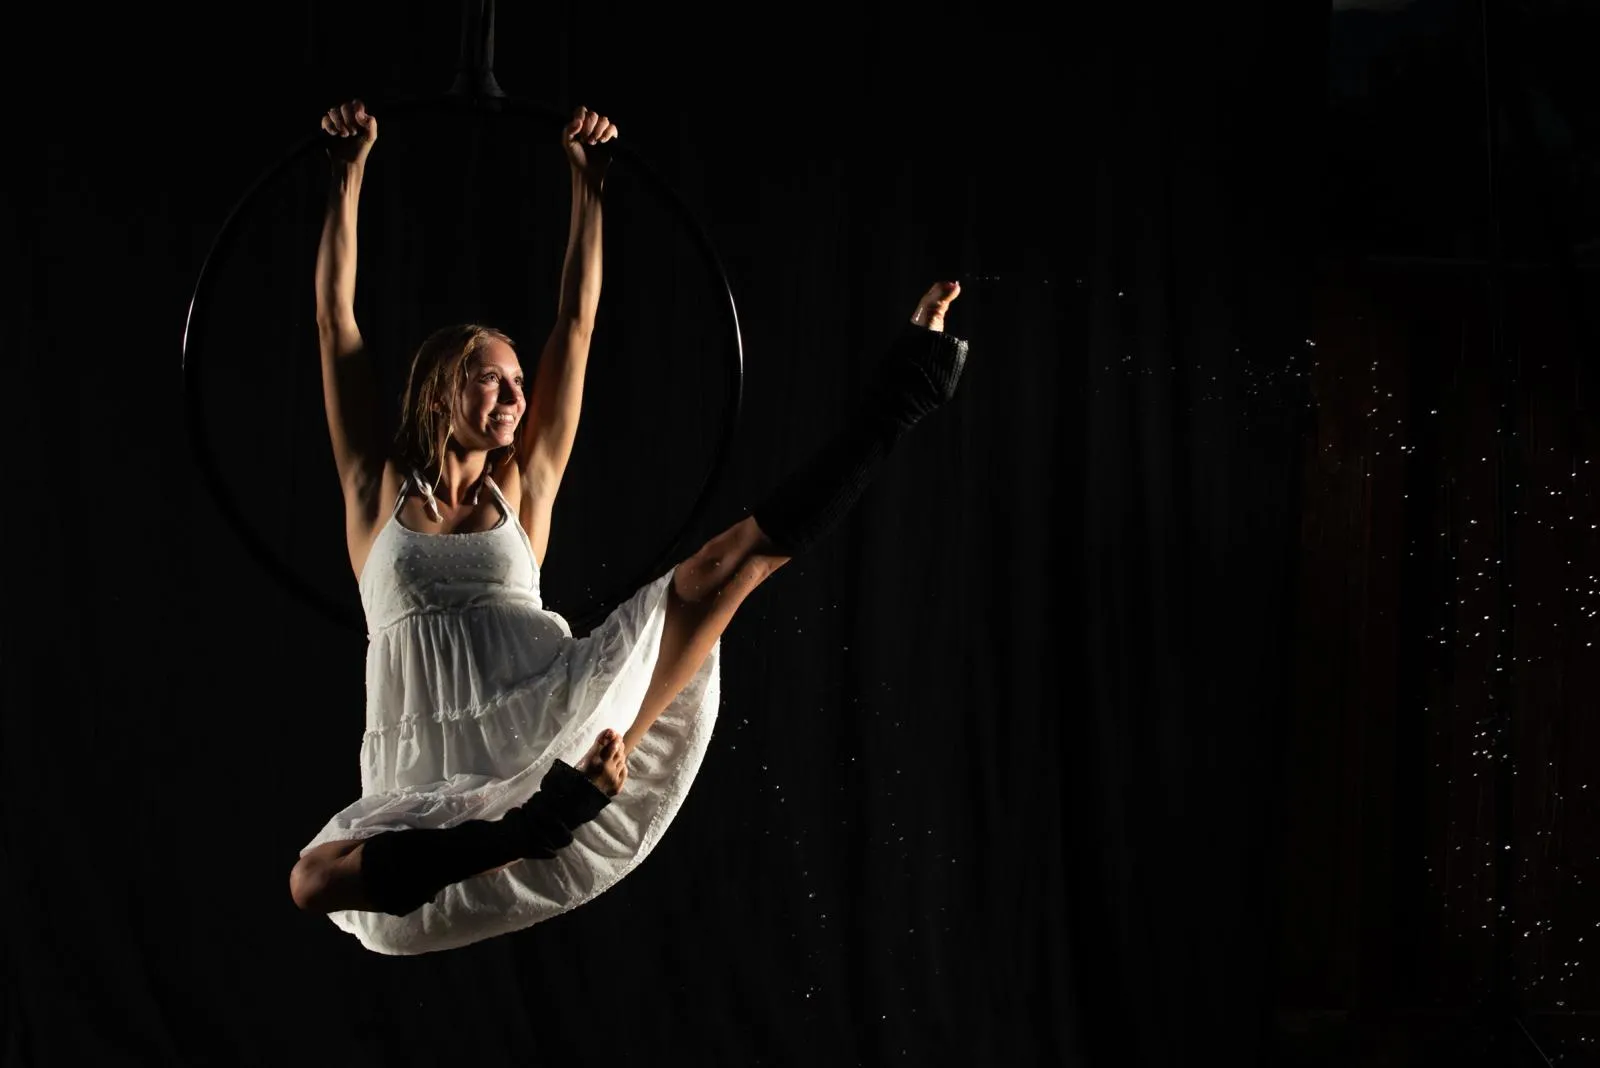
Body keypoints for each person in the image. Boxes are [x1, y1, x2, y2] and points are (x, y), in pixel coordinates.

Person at [287, 99, 971, 955]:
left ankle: (903, 393)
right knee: (312, 881)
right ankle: (527, 830)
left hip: (546, 715)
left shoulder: (524, 487)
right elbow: (335, 324)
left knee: (724, 570)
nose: (515, 397)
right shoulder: (374, 491)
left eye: (519, 384)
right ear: (439, 391)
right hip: (427, 777)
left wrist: (589, 188)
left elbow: (575, 326)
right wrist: (347, 174)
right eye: (492, 379)